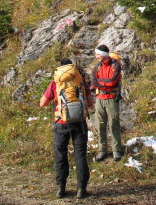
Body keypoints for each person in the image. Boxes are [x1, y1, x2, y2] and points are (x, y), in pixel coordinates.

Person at [40, 58, 93, 199]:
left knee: (60, 154)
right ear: (73, 69)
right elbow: (91, 103)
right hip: (79, 124)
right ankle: (81, 189)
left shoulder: (55, 83)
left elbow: (42, 103)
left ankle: (61, 188)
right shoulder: (80, 82)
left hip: (60, 123)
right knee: (80, 155)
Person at [91, 44, 123, 162]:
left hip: (111, 99)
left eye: (98, 54)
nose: (96, 57)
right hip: (100, 99)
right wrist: (103, 84)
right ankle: (102, 150)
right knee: (100, 125)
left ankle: (116, 151)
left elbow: (112, 82)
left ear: (104, 55)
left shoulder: (116, 66)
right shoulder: (97, 67)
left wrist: (100, 83)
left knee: (113, 124)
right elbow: (94, 81)